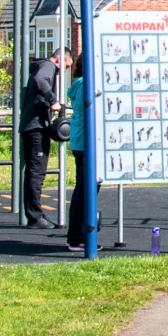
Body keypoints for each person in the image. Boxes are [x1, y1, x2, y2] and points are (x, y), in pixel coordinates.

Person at [19, 48, 69, 228]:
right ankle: (35, 216)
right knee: (36, 172)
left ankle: (34, 214)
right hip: (35, 129)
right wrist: (53, 99)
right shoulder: (47, 66)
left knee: (34, 171)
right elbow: (40, 80)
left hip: (33, 126)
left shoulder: (42, 65)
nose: (63, 71)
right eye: (65, 66)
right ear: (60, 59)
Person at [63, 56, 101, 251]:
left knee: (86, 188)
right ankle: (78, 237)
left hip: (82, 141)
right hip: (86, 141)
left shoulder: (78, 83)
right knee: (86, 189)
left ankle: (80, 235)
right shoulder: (86, 85)